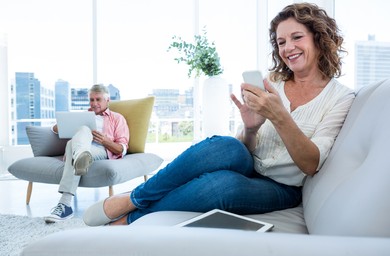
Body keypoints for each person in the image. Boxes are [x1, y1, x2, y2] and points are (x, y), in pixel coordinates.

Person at [83, 3, 355, 226]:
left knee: (221, 187)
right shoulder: (274, 81)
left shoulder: (341, 97)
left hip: (282, 188)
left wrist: (279, 115)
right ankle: (135, 197)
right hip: (250, 164)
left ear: (319, 38)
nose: (287, 48)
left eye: (297, 37)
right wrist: (250, 129)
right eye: (281, 42)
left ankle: (132, 217)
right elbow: (246, 148)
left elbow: (310, 164)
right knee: (226, 145)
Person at [44, 84, 129, 223]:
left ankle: (65, 204)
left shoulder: (117, 118)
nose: (94, 103)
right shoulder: (82, 116)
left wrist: (105, 141)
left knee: (72, 145)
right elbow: (54, 130)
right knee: (81, 132)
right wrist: (63, 124)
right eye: (91, 100)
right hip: (81, 146)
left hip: (101, 149)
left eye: (98, 99)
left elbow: (122, 148)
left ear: (107, 100)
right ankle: (80, 157)